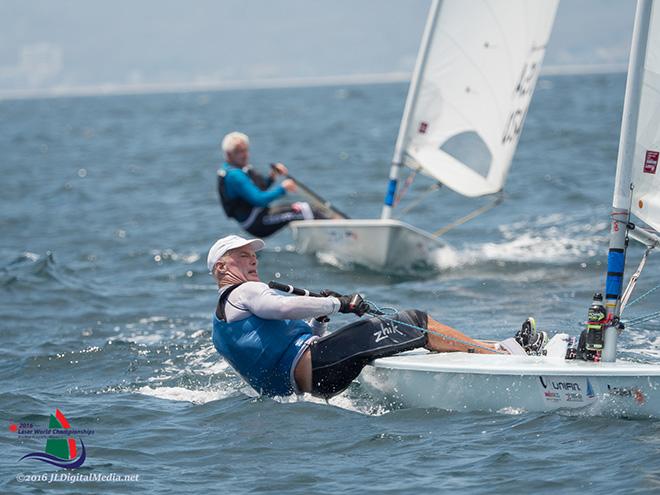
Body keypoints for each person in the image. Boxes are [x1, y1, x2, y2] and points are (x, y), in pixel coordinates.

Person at [207, 235, 549, 399]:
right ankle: (505, 355)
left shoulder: (223, 320)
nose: (253, 261)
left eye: (253, 256)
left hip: (312, 381)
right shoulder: (245, 293)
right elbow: (280, 308)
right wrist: (337, 305)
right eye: (243, 256)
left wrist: (320, 321)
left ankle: (500, 345)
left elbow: (295, 344)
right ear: (222, 267)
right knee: (415, 320)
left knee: (409, 337)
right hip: (316, 369)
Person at [217, 132, 332, 237]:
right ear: (229, 154)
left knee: (304, 208)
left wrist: (272, 177)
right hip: (256, 222)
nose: (244, 155)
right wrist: (283, 188)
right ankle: (332, 236)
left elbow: (259, 188)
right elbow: (259, 199)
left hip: (259, 216)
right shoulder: (234, 176)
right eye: (239, 152)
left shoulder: (238, 169)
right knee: (304, 210)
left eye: (245, 150)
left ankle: (327, 233)